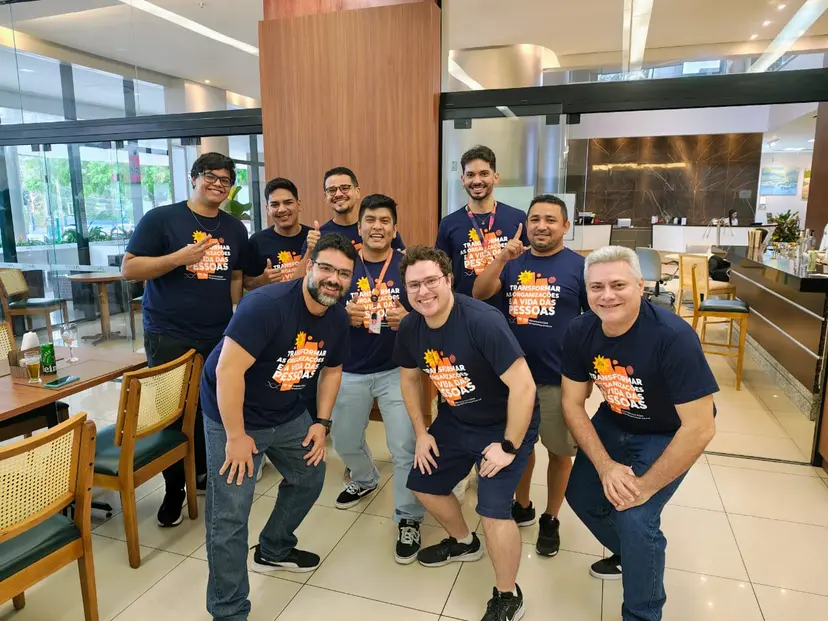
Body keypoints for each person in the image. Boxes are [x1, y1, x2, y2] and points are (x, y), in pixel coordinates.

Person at [201, 233, 355, 621]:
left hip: (286, 409)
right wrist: (236, 437)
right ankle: (229, 609)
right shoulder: (265, 305)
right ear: (309, 266)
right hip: (232, 413)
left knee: (309, 474)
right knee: (230, 516)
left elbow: (332, 370)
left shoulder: (336, 314)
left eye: (344, 273)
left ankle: (274, 547)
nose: (333, 279)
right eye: (326, 268)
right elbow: (228, 371)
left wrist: (321, 423)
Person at [561, 246, 717, 621]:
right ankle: (633, 555)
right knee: (581, 496)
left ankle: (642, 613)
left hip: (669, 431)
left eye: (618, 284)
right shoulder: (580, 331)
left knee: (635, 515)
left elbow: (700, 427)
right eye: (596, 287)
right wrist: (605, 466)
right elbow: (571, 402)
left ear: (641, 285)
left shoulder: (672, 337)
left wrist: (644, 487)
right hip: (615, 421)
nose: (607, 295)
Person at [394, 246, 539, 621]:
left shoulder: (481, 321)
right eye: (414, 286)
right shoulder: (411, 325)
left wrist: (508, 445)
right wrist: (422, 431)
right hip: (456, 420)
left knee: (492, 511)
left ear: (449, 280)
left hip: (505, 422)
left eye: (431, 281)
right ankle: (464, 542)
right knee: (424, 485)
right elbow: (410, 379)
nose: (423, 292)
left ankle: (508, 595)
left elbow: (524, 387)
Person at [122, 151, 249, 528]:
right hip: (168, 333)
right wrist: (178, 257)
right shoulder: (162, 219)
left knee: (214, 408)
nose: (218, 184)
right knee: (172, 414)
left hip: (217, 333)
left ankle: (205, 473)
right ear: (194, 178)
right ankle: (174, 488)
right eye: (211, 176)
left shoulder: (234, 228)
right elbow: (129, 269)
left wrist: (238, 316)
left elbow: (237, 277)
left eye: (225, 180)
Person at [473, 194, 586, 557]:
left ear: (565, 227)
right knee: (520, 447)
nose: (542, 226)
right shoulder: (512, 262)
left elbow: (594, 323)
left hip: (559, 381)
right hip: (514, 380)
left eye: (551, 220)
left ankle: (551, 518)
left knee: (558, 452)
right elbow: (480, 292)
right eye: (535, 219)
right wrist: (503, 256)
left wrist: (586, 378)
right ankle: (523, 504)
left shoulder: (579, 267)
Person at [329, 194, 425, 563]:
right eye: (370, 220)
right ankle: (366, 478)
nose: (377, 227)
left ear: (394, 228)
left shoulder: (408, 265)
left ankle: (408, 517)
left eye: (385, 220)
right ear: (360, 226)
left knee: (404, 448)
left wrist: (410, 320)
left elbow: (433, 310)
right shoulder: (343, 266)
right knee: (346, 441)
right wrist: (342, 313)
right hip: (349, 369)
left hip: (396, 371)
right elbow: (317, 305)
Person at [436, 145, 527, 306]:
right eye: (470, 175)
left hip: (509, 310)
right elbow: (440, 272)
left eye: (484, 174)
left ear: (496, 177)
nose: (477, 181)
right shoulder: (448, 223)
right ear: (463, 179)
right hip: (464, 311)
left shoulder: (517, 218)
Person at [296, 167, 404, 278]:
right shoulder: (318, 236)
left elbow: (402, 263)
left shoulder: (380, 231)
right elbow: (296, 284)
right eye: (332, 190)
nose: (338, 194)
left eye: (345, 188)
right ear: (326, 196)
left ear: (357, 192)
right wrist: (310, 251)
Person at [243, 177, 312, 290]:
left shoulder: (314, 237)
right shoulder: (257, 241)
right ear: (267, 209)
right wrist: (263, 280)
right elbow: (247, 283)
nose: (281, 209)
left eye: (288, 203)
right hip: (271, 306)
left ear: (298, 205)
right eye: (275, 204)